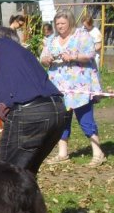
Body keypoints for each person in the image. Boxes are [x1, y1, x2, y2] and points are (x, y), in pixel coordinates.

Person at [0, 27, 70, 174]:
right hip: (57, 110)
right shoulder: (24, 53)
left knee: (7, 176)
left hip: (28, 111)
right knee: (26, 176)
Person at [40, 9, 106, 167]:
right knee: (63, 120)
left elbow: (90, 54)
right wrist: (46, 59)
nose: (60, 26)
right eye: (57, 24)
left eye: (63, 23)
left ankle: (98, 153)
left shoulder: (81, 36)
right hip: (59, 87)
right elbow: (42, 58)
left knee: (85, 119)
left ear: (70, 22)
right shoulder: (52, 39)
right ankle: (63, 153)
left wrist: (73, 57)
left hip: (79, 86)